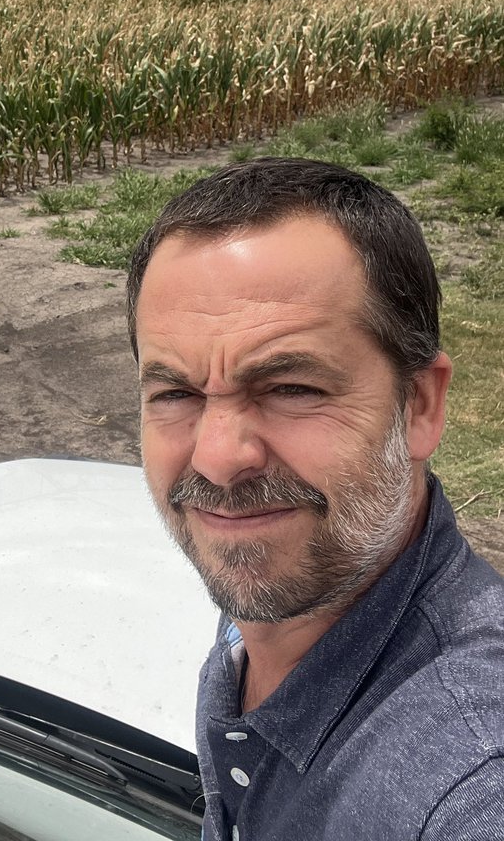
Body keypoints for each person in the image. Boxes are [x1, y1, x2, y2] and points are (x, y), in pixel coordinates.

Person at [127, 157, 504, 840]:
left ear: (419, 406)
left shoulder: (468, 784)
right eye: (176, 393)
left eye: (292, 388)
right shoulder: (285, 595)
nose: (219, 459)